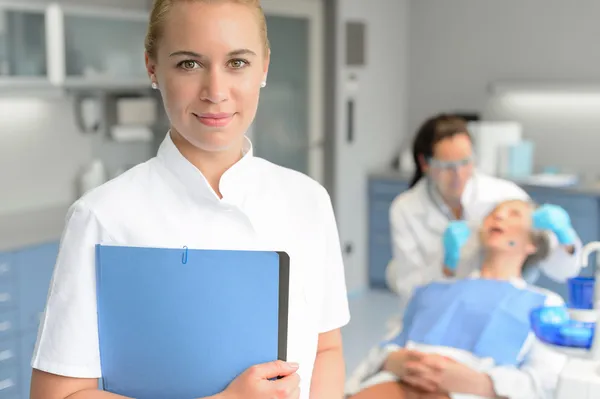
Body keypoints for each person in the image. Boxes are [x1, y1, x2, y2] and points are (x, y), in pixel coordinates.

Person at [29, 1, 350, 398]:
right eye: (189, 64)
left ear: (264, 67)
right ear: (152, 67)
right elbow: (57, 395)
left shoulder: (309, 201)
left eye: (237, 63)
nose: (215, 92)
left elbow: (327, 348)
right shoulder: (104, 216)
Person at [347, 199, 568, 399]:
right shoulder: (434, 289)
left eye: (514, 214)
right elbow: (386, 347)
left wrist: (483, 383)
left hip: (469, 391)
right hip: (403, 379)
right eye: (493, 213)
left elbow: (545, 383)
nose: (499, 216)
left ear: (533, 244)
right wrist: (393, 362)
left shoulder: (545, 304)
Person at [386, 114, 581, 301]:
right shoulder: (406, 209)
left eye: (465, 162)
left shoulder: (503, 194)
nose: (459, 174)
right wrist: (446, 265)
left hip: (499, 301)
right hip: (439, 309)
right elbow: (408, 288)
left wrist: (565, 237)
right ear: (425, 163)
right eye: (448, 166)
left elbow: (564, 270)